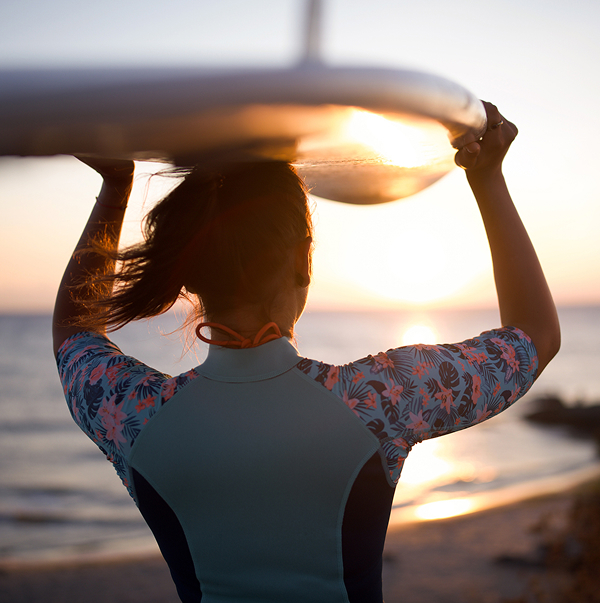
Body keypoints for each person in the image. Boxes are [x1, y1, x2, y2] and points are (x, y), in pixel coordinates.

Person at [53, 102, 560, 603]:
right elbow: (535, 334)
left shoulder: (131, 414)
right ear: (303, 260)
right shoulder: (381, 400)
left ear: (187, 270)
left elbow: (72, 334)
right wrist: (487, 177)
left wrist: (116, 186)